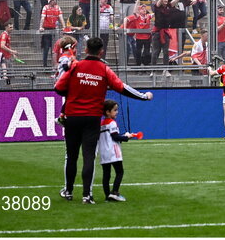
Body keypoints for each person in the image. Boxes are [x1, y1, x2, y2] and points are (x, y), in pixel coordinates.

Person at [54, 36, 152, 204]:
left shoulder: (75, 66)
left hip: (72, 116)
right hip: (92, 118)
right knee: (89, 157)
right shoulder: (104, 69)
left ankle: (68, 191)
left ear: (85, 50)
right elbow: (122, 87)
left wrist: (75, 93)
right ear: (101, 52)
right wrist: (143, 96)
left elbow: (58, 88)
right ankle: (87, 195)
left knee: (71, 156)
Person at [97, 99, 137, 202]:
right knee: (119, 172)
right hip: (114, 151)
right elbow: (115, 137)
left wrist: (123, 136)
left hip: (104, 152)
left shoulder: (101, 124)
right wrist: (126, 137)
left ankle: (107, 196)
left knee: (106, 174)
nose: (117, 112)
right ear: (107, 112)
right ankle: (114, 192)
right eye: (115, 110)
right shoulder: (112, 123)